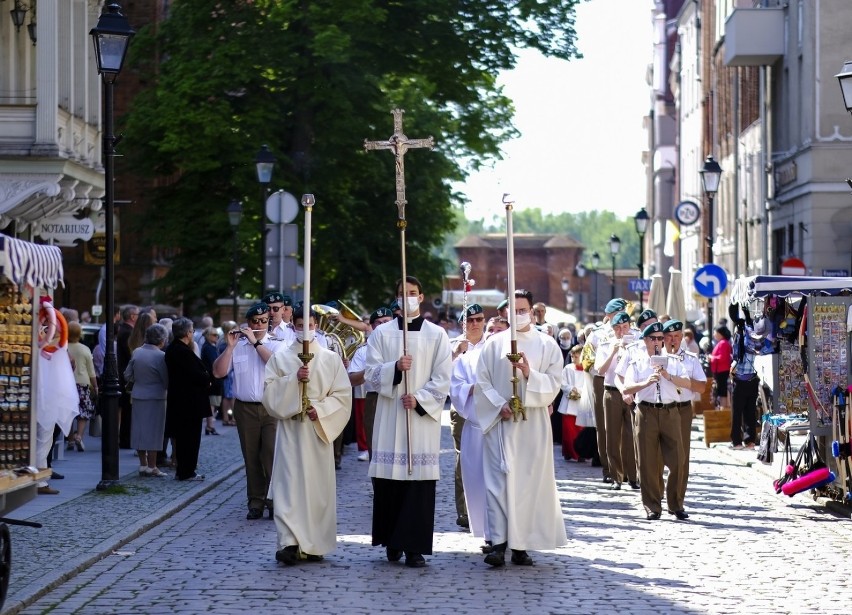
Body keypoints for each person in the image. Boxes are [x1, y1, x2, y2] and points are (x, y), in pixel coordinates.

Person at [474, 289, 567, 567]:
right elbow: (482, 381)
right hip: (501, 421)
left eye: (523, 309)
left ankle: (521, 544)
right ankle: (499, 543)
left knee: (527, 483)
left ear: (532, 311)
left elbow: (555, 383)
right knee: (498, 482)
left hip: (532, 424)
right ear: (505, 313)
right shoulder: (493, 344)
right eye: (513, 310)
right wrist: (497, 404)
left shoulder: (547, 344)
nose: (518, 315)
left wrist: (529, 374)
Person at [366, 276, 452, 569]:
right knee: (391, 480)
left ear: (422, 296)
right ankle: (392, 539)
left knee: (418, 482)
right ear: (397, 298)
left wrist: (420, 399)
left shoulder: (437, 335)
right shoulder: (381, 334)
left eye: (413, 293)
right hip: (391, 417)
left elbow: (443, 378)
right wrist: (394, 368)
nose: (408, 298)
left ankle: (414, 547)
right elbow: (370, 374)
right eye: (403, 293)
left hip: (420, 420)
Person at [263, 309, 352, 565]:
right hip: (291, 431)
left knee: (315, 489)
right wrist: (293, 380)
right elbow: (269, 393)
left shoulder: (330, 359)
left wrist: (321, 410)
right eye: (301, 325)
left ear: (316, 325)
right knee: (288, 487)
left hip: (316, 431)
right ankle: (289, 542)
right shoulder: (280, 359)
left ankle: (313, 543)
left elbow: (342, 395)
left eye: (310, 325)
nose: (306, 330)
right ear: (293, 325)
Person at [212, 303, 282, 519]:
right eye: (255, 321)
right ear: (248, 322)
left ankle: (274, 502)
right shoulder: (238, 345)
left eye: (263, 321)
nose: (259, 324)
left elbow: (276, 365)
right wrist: (230, 347)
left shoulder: (276, 344)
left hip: (270, 406)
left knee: (270, 455)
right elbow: (218, 372)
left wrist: (256, 341)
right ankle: (256, 502)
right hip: (245, 408)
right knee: (251, 457)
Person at [623, 322, 691, 520]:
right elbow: (627, 388)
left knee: (678, 460)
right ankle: (652, 506)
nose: (658, 342)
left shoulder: (674, 361)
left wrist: (667, 376)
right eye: (653, 338)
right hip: (646, 412)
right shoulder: (637, 363)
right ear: (645, 340)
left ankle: (676, 503)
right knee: (647, 462)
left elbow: (686, 383)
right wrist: (646, 382)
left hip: (671, 412)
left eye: (661, 338)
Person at [448, 303, 487, 530]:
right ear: (462, 323)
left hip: (488, 408)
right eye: (469, 320)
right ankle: (464, 511)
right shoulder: (454, 345)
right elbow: (443, 375)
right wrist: (455, 354)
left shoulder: (492, 344)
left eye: (479, 319)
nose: (474, 324)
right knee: (463, 458)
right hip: (462, 407)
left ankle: (486, 507)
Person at [580, 297, 627, 483]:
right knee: (605, 425)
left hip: (627, 379)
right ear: (608, 315)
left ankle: (628, 468)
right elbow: (587, 361)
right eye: (617, 313)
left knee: (628, 427)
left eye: (623, 313)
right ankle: (609, 468)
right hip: (602, 380)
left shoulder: (631, 332)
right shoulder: (597, 334)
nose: (621, 318)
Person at [662, 319, 707, 510]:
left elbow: (702, 387)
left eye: (677, 336)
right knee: (656, 457)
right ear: (663, 338)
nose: (673, 340)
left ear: (682, 337)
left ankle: (677, 501)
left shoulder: (690, 359)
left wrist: (684, 382)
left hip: (681, 409)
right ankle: (656, 496)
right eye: (669, 337)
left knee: (681, 457)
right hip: (659, 408)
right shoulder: (656, 357)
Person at [594, 311, 638, 490]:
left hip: (631, 392)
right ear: (613, 329)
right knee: (612, 435)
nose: (621, 331)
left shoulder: (637, 344)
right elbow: (600, 370)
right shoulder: (606, 344)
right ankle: (616, 477)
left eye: (625, 327)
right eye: (618, 328)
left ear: (629, 327)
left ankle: (633, 476)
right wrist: (613, 351)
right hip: (612, 391)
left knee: (631, 435)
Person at [165, 317, 211, 481]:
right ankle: (186, 471)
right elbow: (194, 374)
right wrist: (206, 378)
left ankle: (185, 470)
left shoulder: (176, 349)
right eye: (191, 331)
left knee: (186, 438)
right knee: (189, 439)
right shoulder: (181, 351)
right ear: (186, 333)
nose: (192, 333)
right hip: (188, 402)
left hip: (183, 401)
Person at [348, 307, 394, 461]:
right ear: (373, 327)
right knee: (375, 448)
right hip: (374, 398)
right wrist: (369, 370)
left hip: (398, 395)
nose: (382, 326)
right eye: (378, 323)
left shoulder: (402, 346)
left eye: (386, 322)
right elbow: (353, 379)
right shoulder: (364, 351)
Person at [124, 324, 170, 477]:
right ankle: (152, 465)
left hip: (138, 395)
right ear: (162, 340)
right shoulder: (161, 357)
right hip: (156, 396)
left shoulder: (137, 352)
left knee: (139, 430)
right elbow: (166, 380)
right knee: (155, 432)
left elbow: (127, 374)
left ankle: (143, 464)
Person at [65, 321, 98, 452]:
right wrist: (95, 386)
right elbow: (91, 371)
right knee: (83, 412)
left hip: (67, 383)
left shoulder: (64, 347)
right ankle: (79, 436)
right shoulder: (85, 349)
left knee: (67, 413)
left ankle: (70, 440)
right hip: (83, 383)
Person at [117, 304, 139, 449]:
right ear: (132, 316)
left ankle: (126, 438)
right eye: (137, 315)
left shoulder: (124, 330)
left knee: (127, 409)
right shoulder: (127, 332)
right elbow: (131, 353)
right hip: (126, 375)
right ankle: (126, 439)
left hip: (124, 373)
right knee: (127, 410)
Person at [200, 327, 222, 436]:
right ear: (208, 336)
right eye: (214, 335)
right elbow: (214, 362)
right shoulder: (208, 348)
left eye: (217, 335)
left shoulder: (210, 347)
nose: (216, 337)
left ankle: (210, 426)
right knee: (212, 403)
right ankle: (210, 426)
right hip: (212, 379)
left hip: (213, 378)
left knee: (213, 403)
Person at [217, 320, 237, 426]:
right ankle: (231, 417)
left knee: (227, 396)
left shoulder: (221, 340)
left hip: (227, 371)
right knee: (231, 396)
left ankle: (227, 417)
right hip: (230, 371)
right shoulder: (225, 342)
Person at [709, 325, 733, 409]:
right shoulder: (722, 342)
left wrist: (712, 358)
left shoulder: (723, 343)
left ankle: (723, 407)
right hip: (720, 370)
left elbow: (722, 357)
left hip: (722, 370)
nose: (714, 334)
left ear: (720, 333)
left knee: (722, 390)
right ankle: (723, 407)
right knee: (721, 389)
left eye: (715, 332)